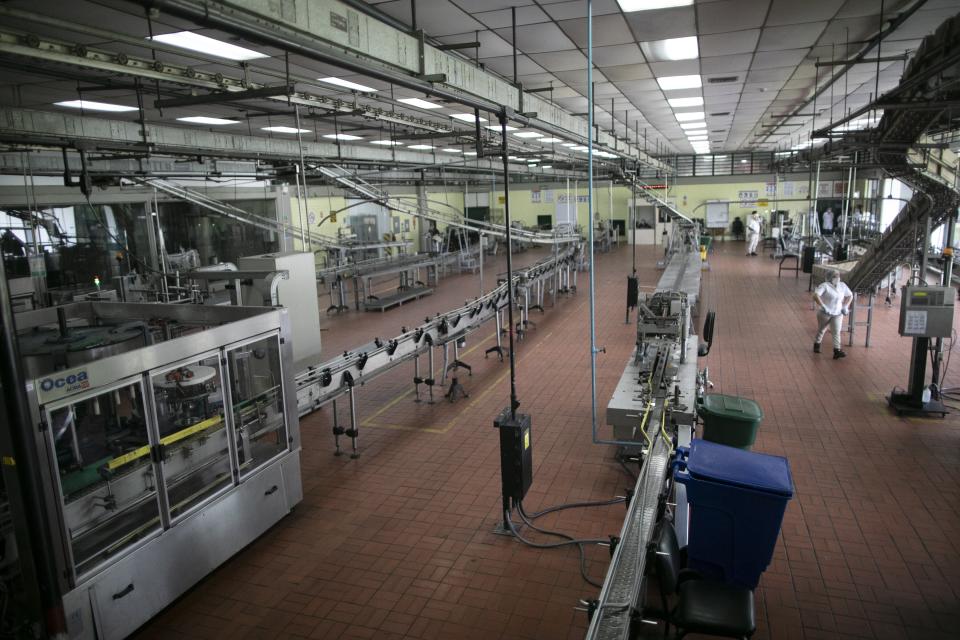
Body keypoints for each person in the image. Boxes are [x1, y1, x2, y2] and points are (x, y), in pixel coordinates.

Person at [812, 269, 853, 359]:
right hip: (825, 313)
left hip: (838, 313)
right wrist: (823, 306)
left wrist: (845, 306)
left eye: (838, 275)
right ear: (830, 277)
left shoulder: (842, 285)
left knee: (836, 332)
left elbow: (850, 295)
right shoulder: (824, 286)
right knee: (822, 329)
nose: (837, 277)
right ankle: (817, 344)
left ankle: (837, 351)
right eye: (835, 276)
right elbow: (815, 295)